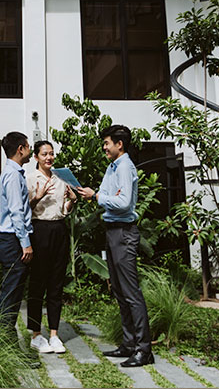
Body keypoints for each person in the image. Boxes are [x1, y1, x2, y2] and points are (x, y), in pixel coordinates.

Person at [77, 125, 154, 367]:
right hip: (112, 233)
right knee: (120, 292)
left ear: (119, 144)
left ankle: (144, 350)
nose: (104, 147)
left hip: (123, 233)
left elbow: (122, 201)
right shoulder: (113, 167)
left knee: (131, 293)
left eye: (107, 143)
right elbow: (105, 195)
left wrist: (97, 197)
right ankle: (129, 344)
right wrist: (88, 195)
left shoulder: (124, 167)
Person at [26, 140, 76, 354]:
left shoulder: (60, 179)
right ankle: (36, 334)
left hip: (59, 229)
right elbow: (25, 210)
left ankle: (54, 334)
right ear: (36, 157)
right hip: (39, 230)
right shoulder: (30, 178)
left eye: (52, 154)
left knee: (56, 284)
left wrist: (72, 201)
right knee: (37, 283)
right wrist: (37, 198)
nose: (49, 157)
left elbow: (63, 210)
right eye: (44, 154)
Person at [0, 131, 34, 337]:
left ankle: (6, 338)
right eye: (28, 146)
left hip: (11, 240)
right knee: (11, 293)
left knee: (14, 292)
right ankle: (6, 341)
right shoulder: (11, 175)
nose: (30, 150)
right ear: (21, 149)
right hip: (12, 241)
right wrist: (25, 243)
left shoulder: (13, 173)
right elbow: (16, 212)